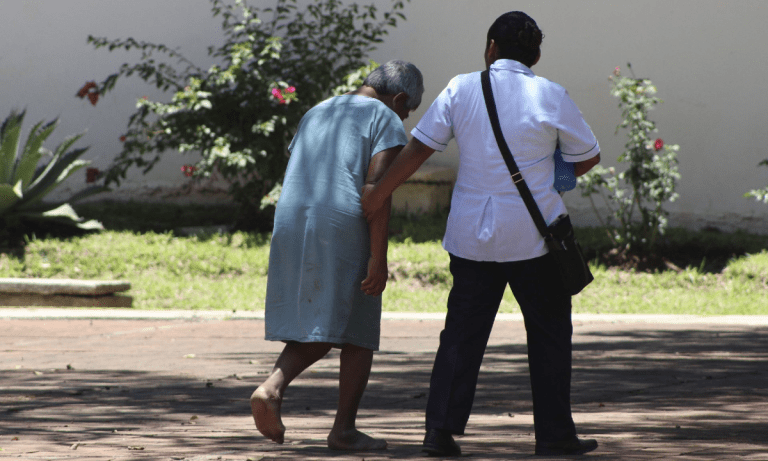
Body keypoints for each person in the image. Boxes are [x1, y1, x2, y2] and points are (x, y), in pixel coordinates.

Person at [361, 12, 601, 457]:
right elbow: (587, 155)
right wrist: (552, 173)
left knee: (461, 335)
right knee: (548, 334)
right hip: (537, 236)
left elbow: (419, 149)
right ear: (537, 56)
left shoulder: (461, 87)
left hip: (472, 236)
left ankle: (439, 432)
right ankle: (554, 436)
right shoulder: (551, 94)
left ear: (490, 47)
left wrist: (378, 194)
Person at [250, 60, 423, 451]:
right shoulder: (385, 117)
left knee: (325, 317)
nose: (406, 117)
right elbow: (376, 190)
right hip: (343, 221)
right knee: (355, 325)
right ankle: (318, 414)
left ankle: (291, 398)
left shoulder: (318, 109)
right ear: (398, 99)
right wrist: (378, 257)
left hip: (293, 217)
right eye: (407, 110)